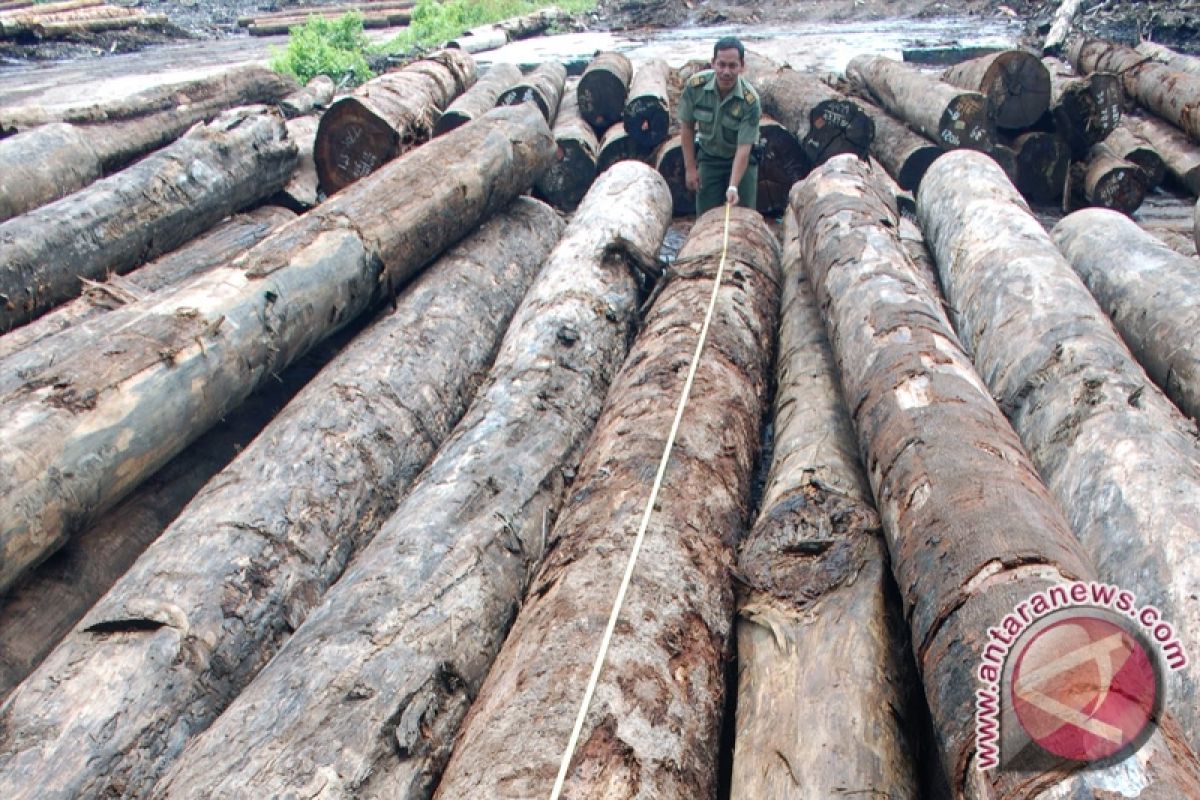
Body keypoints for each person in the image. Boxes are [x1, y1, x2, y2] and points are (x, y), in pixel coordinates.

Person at [678, 36, 762, 216]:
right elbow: (687, 128)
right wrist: (690, 168)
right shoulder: (695, 88)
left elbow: (744, 148)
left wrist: (733, 186)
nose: (726, 71)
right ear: (713, 63)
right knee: (706, 218)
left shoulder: (750, 101)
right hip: (709, 159)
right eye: (721, 64)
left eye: (732, 66)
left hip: (741, 162)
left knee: (743, 219)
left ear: (742, 66)